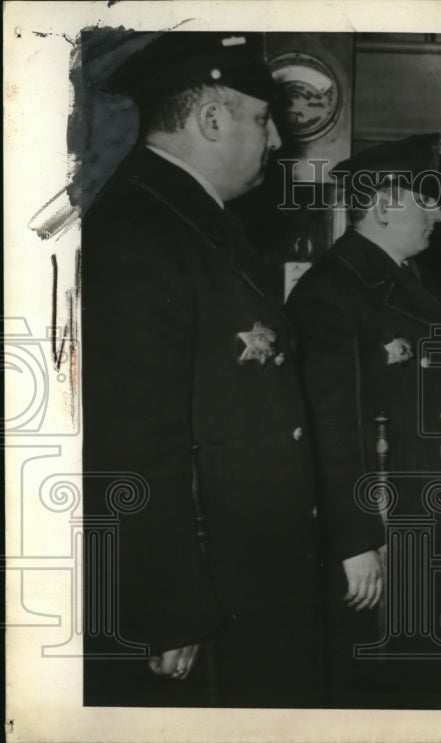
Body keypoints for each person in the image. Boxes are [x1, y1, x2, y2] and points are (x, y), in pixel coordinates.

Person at [82, 32, 327, 707]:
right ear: (210, 120)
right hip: (204, 593)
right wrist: (166, 603)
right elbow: (128, 439)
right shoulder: (140, 231)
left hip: (244, 576)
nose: (275, 138)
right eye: (260, 118)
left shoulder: (200, 224)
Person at [286, 135, 441, 708]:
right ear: (383, 208)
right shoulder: (331, 292)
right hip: (401, 530)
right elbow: (332, 428)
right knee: (417, 688)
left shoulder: (407, 280)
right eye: (429, 201)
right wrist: (355, 543)